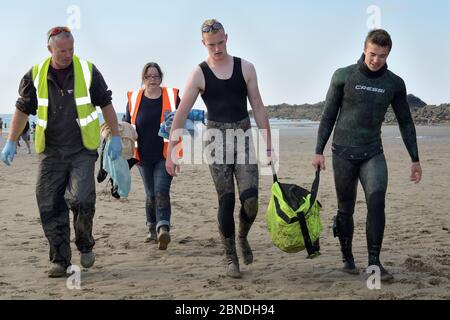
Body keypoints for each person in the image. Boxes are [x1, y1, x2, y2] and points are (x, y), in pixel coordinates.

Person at [0, 26, 122, 278]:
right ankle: (60, 260)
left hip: (81, 149)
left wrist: (116, 136)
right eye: (62, 50)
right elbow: (22, 109)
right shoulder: (35, 75)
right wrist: (11, 141)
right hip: (51, 152)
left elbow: (106, 103)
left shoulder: (88, 71)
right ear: (50, 49)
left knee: (82, 199)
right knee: (49, 203)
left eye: (71, 49)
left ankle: (85, 243)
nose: (68, 54)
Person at [165, 19, 273, 278]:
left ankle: (242, 236)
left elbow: (257, 105)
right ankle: (230, 256)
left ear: (227, 38)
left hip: (244, 136)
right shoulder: (199, 74)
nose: (217, 48)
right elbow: (181, 114)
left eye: (221, 42)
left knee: (251, 203)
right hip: (215, 139)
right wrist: (172, 150)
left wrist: (268, 143)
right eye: (211, 44)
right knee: (226, 201)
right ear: (204, 43)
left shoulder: (245, 67)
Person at [312, 29, 422, 282]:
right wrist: (318, 151)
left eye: (382, 56)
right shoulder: (343, 76)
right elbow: (328, 115)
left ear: (388, 54)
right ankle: (347, 257)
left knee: (376, 202)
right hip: (342, 153)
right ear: (364, 49)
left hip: (372, 152)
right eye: (372, 54)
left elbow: (406, 122)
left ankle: (374, 262)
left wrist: (414, 159)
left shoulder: (394, 83)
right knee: (345, 209)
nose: (376, 60)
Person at [124, 62, 180, 250]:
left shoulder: (172, 97)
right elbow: (127, 124)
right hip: (142, 156)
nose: (153, 80)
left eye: (156, 76)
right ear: (143, 78)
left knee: (161, 191)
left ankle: (163, 227)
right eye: (149, 76)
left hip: (165, 155)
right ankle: (151, 227)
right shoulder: (134, 99)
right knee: (150, 195)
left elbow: (183, 123)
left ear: (161, 78)